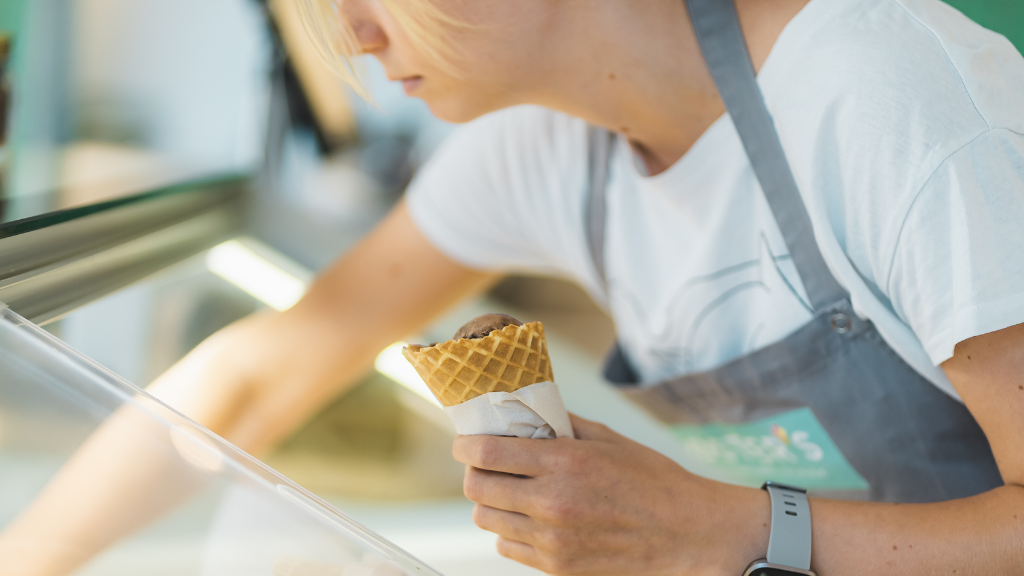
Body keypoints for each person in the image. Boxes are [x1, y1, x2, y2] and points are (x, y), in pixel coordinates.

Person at [5, 0, 1024, 574]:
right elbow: (257, 376)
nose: (355, 36)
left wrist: (734, 526)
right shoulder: (546, 150)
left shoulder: (877, 92)